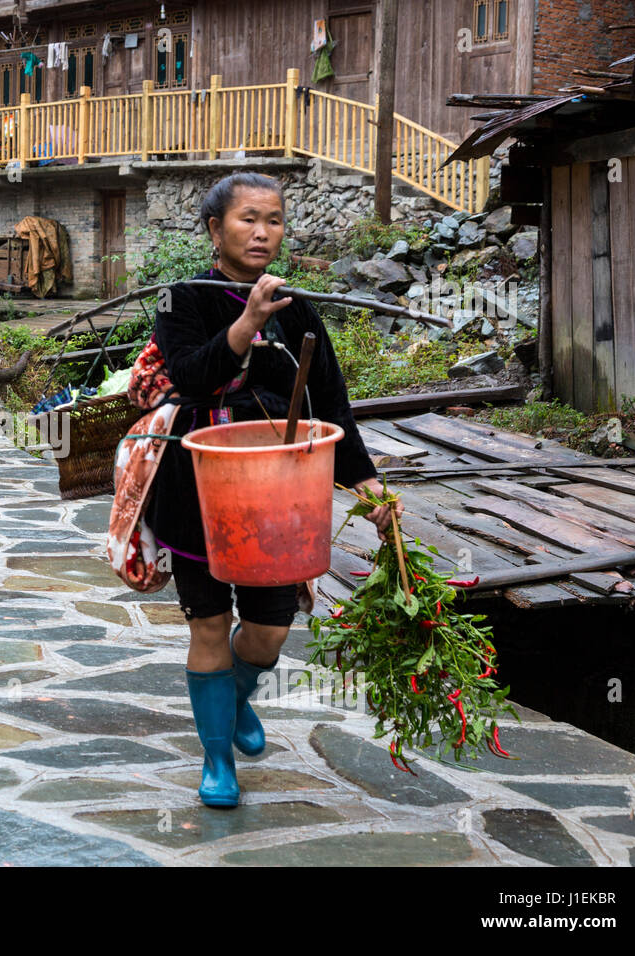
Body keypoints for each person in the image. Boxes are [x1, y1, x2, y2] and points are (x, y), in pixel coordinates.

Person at [150, 172, 403, 809]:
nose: (263, 232)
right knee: (209, 624)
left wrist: (367, 484)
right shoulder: (182, 299)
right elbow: (191, 376)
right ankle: (216, 761)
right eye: (247, 219)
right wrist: (247, 322)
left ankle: (234, 702)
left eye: (275, 220)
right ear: (215, 228)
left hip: (277, 496)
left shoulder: (302, 308)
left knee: (268, 633)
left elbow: (331, 408)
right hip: (198, 487)